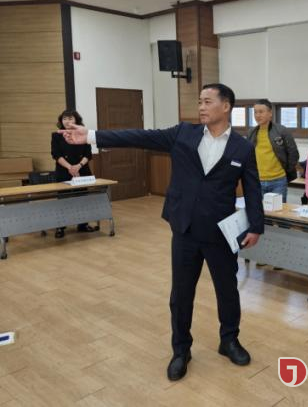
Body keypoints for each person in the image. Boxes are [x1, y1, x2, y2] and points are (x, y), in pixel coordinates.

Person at [60, 84, 264, 382]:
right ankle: (181, 349)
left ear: (226, 106)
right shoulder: (183, 134)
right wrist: (91, 136)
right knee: (181, 294)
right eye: (199, 101)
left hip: (220, 232)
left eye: (208, 101)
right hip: (184, 229)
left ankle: (229, 340)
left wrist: (256, 226)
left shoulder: (242, 147)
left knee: (227, 290)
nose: (201, 107)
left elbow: (253, 189)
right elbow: (139, 136)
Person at [51, 110, 97, 238]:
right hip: (64, 171)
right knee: (63, 199)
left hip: (82, 170)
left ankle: (83, 225)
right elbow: (56, 155)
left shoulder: (83, 133)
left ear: (76, 120)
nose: (67, 121)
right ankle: (60, 227)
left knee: (82, 198)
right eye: (64, 119)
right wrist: (70, 167)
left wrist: (78, 166)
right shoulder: (56, 135)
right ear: (61, 121)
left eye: (70, 118)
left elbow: (88, 154)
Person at [247, 99, 299, 202]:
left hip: (278, 181)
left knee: (278, 210)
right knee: (259, 210)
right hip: (257, 181)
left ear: (270, 113)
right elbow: (248, 155)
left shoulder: (281, 131)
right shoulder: (251, 132)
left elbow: (293, 153)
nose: (257, 115)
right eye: (255, 112)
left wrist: (286, 171)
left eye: (261, 112)